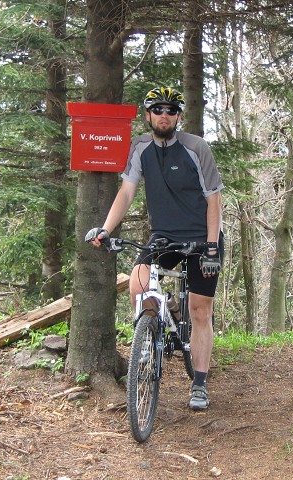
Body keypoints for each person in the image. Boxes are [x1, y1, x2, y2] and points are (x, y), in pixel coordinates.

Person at [86, 86, 224, 411]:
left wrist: (211, 247)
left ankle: (199, 383)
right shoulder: (140, 147)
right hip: (164, 236)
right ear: (148, 115)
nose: (165, 115)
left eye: (171, 110)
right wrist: (106, 229)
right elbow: (126, 191)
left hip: (201, 236)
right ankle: (148, 339)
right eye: (158, 110)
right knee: (138, 283)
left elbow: (214, 199)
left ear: (178, 116)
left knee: (201, 311)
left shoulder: (196, 148)